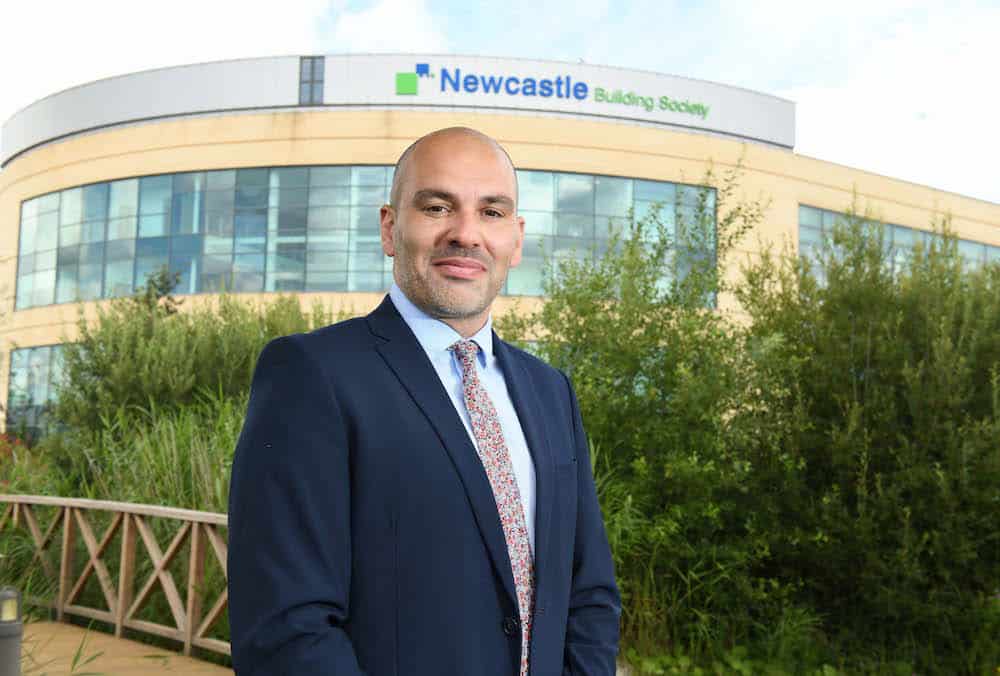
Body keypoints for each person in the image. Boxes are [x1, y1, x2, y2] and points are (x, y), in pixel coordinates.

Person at [227, 127, 620, 675]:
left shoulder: (551, 391)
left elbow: (589, 592)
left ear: (516, 239)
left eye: (491, 212)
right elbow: (286, 627)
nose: (466, 234)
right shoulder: (311, 375)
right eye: (437, 207)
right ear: (390, 228)